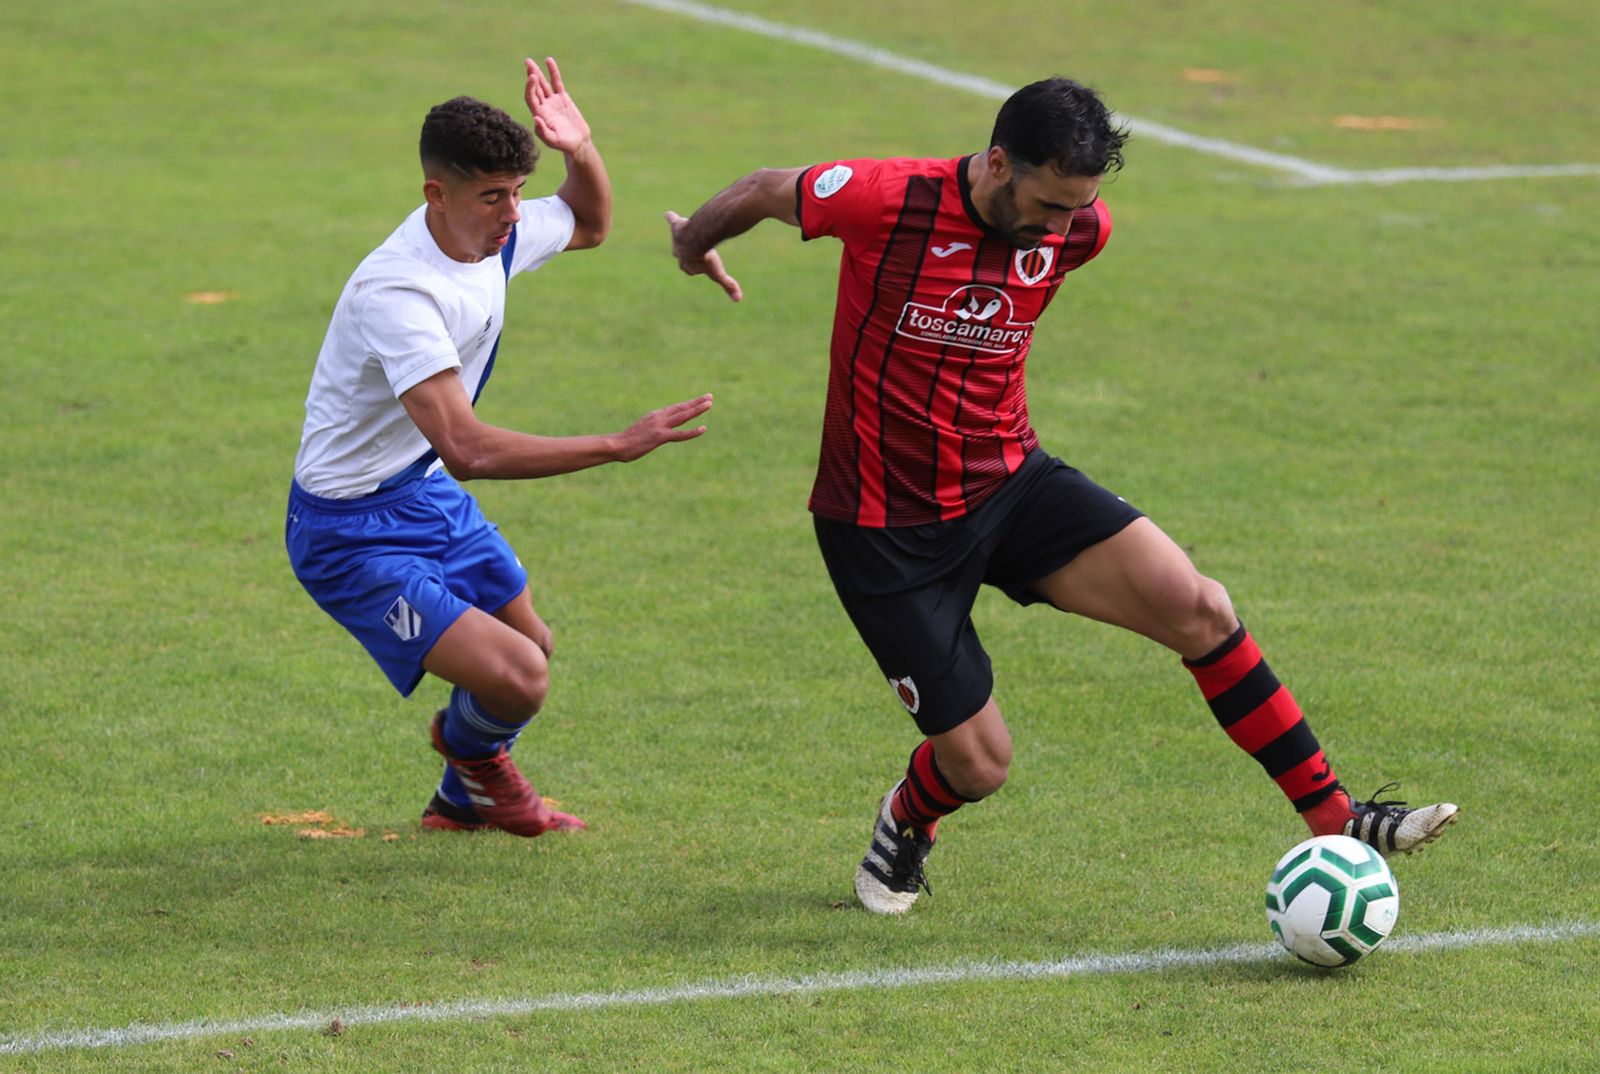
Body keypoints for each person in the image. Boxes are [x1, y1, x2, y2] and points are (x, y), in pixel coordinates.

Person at [665, 77, 1455, 913]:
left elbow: (1067, 228)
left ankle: (1338, 818)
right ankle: (907, 817)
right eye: (1047, 203)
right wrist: (694, 247)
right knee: (980, 764)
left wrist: (1065, 221)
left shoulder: (1080, 231)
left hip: (1011, 482)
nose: (1061, 225)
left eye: (1077, 208)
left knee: (1201, 608)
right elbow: (760, 187)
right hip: (883, 525)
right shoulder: (886, 199)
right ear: (998, 163)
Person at [288, 58, 713, 838]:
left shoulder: (494, 237)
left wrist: (581, 148)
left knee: (530, 644)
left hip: (415, 491)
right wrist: (617, 444)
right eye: (493, 196)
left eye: (518, 191)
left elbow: (588, 223)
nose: (513, 212)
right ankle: (474, 761)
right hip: (346, 530)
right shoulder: (400, 292)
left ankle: (457, 801)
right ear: (435, 195)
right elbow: (468, 448)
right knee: (522, 677)